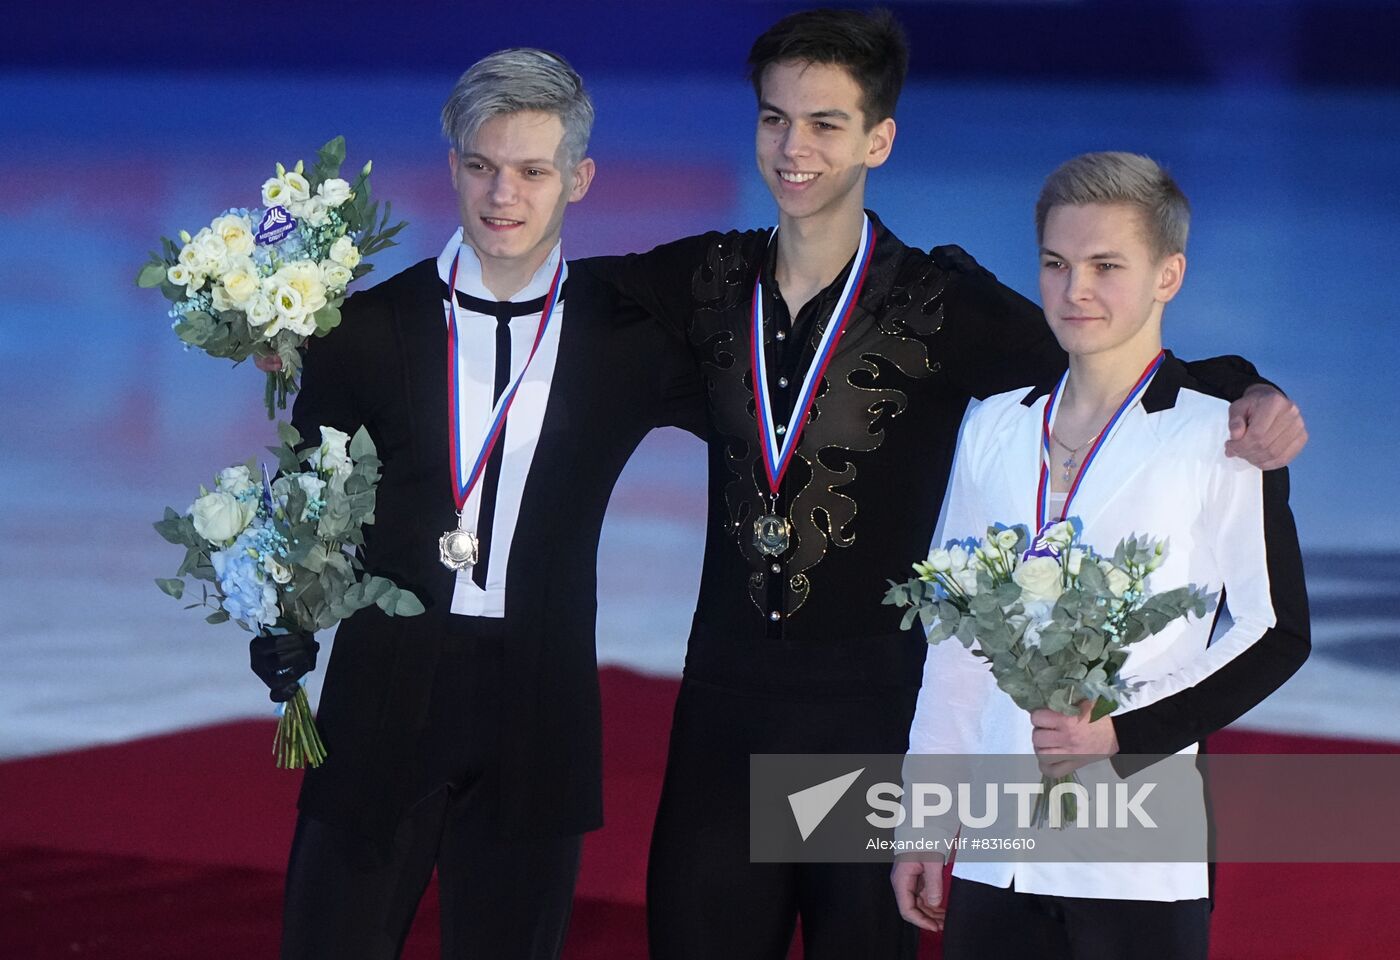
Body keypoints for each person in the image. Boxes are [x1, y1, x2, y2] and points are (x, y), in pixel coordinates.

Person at [586, 9, 1307, 959]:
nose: (794, 148)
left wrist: (1241, 387)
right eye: (774, 119)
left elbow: (1100, 355)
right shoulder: (706, 281)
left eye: (826, 123)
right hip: (726, 701)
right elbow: (554, 302)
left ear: (879, 139)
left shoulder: (940, 304)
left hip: (871, 715)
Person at [247, 49, 705, 959]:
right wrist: (284, 609)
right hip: (383, 690)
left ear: (579, 179)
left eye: (533, 171)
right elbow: (308, 496)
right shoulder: (364, 330)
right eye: (482, 166)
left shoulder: (627, 341)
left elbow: (759, 431)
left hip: (540, 701)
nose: (504, 195)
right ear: (453, 166)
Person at [890, 152, 1311, 959]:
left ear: (1168, 275)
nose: (1074, 289)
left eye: (1105, 266)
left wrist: (1126, 733)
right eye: (1056, 263)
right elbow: (954, 645)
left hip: (1138, 856)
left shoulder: (1222, 434)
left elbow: (1276, 632)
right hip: (996, 849)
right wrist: (925, 818)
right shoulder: (994, 426)